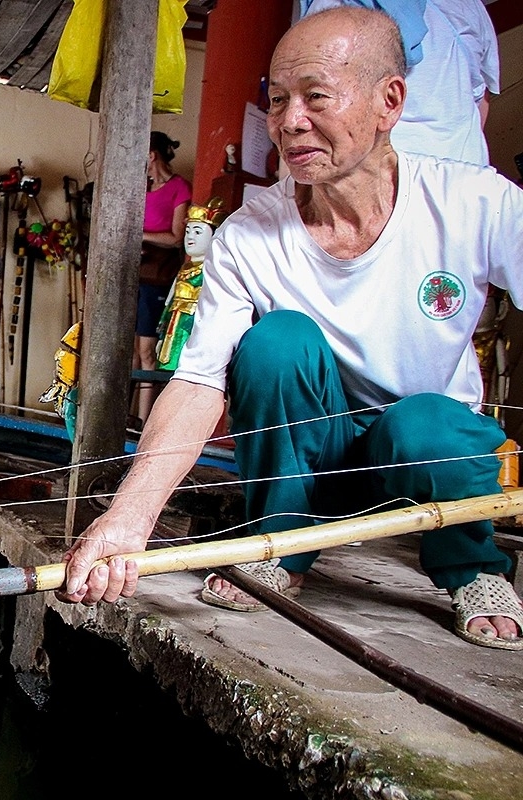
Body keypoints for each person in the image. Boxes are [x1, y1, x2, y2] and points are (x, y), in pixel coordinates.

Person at [59, 6, 523, 651]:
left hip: (419, 456)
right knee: (276, 345)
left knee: (428, 425)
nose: (289, 121)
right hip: (313, 453)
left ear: (389, 101)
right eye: (277, 101)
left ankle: (473, 568)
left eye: (316, 97)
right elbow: (198, 383)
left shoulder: (477, 202)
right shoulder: (249, 235)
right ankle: (278, 542)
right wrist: (129, 517)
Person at [300, 0, 500, 167]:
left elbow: (313, 105)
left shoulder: (328, 10)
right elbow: (481, 98)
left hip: (375, 178)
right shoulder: (469, 6)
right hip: (462, 167)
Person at [135, 130, 192, 424]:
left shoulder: (179, 187)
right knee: (130, 350)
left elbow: (176, 237)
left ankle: (145, 423)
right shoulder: (140, 188)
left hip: (159, 276)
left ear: (152, 155)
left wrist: (139, 235)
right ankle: (126, 418)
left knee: (147, 351)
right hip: (134, 273)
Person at [155, 197, 225, 372]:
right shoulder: (184, 269)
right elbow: (169, 303)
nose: (190, 237)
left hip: (194, 329)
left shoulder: (213, 271)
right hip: (174, 327)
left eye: (198, 232)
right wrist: (162, 335)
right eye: (188, 231)